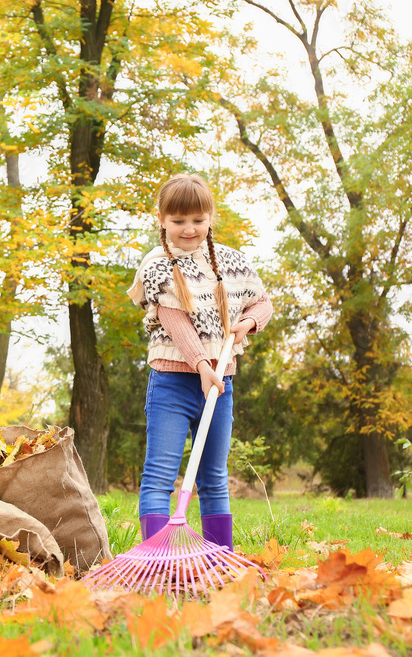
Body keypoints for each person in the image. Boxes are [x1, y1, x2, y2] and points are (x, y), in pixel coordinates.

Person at [126, 173, 272, 552]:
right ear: (161, 219)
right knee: (160, 474)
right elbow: (175, 322)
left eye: (197, 220)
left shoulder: (231, 261)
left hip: (221, 385)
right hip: (173, 383)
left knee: (214, 476)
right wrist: (202, 365)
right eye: (178, 221)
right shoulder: (157, 263)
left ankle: (219, 556)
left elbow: (262, 301)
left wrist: (250, 322)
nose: (188, 229)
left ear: (210, 217)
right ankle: (156, 558)